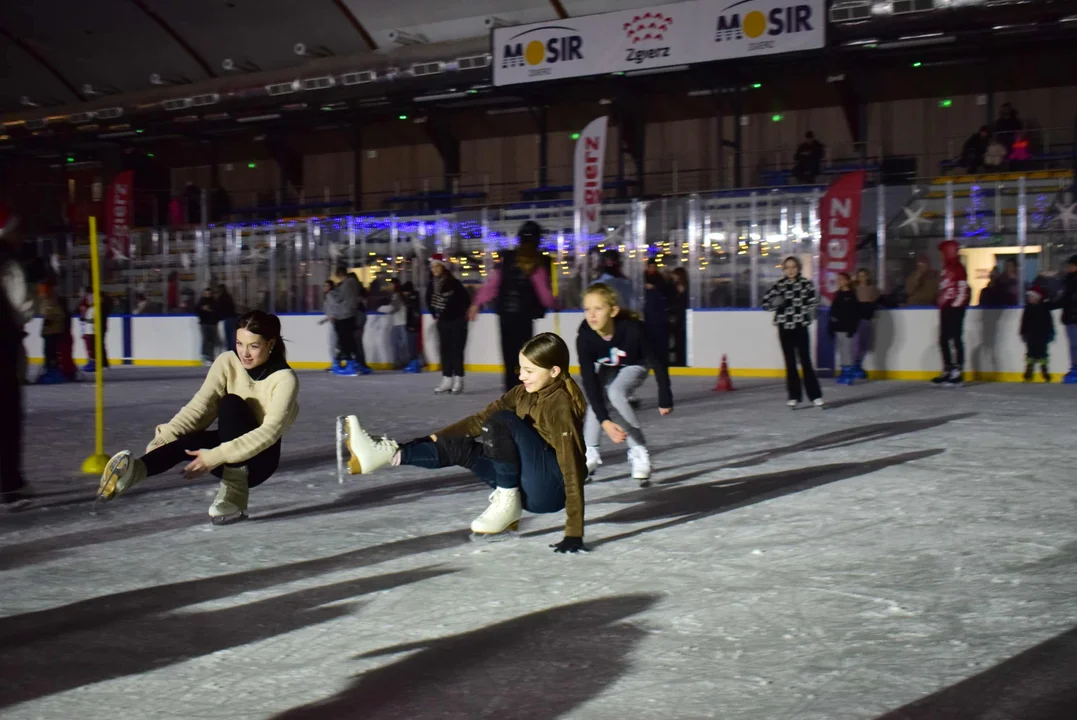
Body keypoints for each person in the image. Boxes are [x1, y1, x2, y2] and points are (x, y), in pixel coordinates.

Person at [339, 333, 588, 552]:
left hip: (549, 491)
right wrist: (423, 440)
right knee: (461, 447)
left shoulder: (560, 406)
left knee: (501, 420)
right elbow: (479, 421)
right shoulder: (521, 393)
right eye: (520, 368)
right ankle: (387, 455)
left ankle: (507, 500)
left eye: (529, 371)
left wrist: (574, 531)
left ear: (554, 371)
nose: (522, 376)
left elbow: (572, 466)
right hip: (527, 485)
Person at [96, 311, 299, 525]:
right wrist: (164, 440)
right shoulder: (227, 362)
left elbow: (269, 432)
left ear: (271, 344)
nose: (244, 353)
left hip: (259, 462)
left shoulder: (284, 379)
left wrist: (215, 456)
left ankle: (234, 492)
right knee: (183, 443)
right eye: (240, 343)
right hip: (225, 451)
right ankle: (132, 473)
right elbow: (200, 407)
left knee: (231, 404)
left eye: (254, 346)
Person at [577, 283, 673, 485]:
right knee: (597, 398)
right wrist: (605, 422)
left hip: (635, 364)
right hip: (608, 367)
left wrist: (665, 396)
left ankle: (639, 450)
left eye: (598, 308)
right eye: (587, 309)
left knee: (615, 392)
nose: (591, 315)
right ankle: (590, 454)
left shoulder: (633, 330)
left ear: (613, 311)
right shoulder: (585, 337)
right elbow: (589, 383)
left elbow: (658, 362)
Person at [468, 221, 555, 392]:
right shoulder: (538, 262)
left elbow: (493, 285)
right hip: (525, 317)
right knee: (525, 356)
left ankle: (510, 389)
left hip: (506, 316)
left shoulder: (507, 260)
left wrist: (476, 303)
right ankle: (524, 388)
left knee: (509, 355)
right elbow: (544, 292)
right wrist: (554, 303)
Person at [0, 202, 33, 510]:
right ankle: (9, 483)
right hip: (3, 348)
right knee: (7, 416)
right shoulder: (8, 264)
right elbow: (23, 306)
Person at [762, 256, 823, 408]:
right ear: (783, 269)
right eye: (787, 267)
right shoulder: (779, 285)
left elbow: (814, 301)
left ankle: (815, 396)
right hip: (784, 327)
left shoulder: (806, 284)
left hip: (800, 326)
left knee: (805, 361)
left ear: (798, 268)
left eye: (793, 267)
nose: (790, 270)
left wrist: (812, 310)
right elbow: (765, 303)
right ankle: (794, 395)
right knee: (790, 363)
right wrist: (774, 304)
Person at [427, 253, 470, 394]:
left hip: (457, 321)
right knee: (445, 351)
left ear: (442, 267)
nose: (434, 269)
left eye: (436, 266)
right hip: (443, 322)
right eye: (432, 267)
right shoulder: (431, 285)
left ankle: (458, 378)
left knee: (456, 350)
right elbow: (428, 301)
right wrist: (435, 315)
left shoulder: (454, 283)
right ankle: (446, 379)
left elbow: (465, 300)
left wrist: (461, 315)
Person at [933, 239, 970, 387]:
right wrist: (940, 302)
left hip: (955, 308)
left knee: (955, 338)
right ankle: (948, 368)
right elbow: (943, 288)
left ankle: (958, 371)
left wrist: (956, 305)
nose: (942, 255)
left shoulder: (959, 268)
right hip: (946, 308)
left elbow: (962, 289)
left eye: (943, 251)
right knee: (943, 339)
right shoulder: (945, 268)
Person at [324, 265, 367, 376]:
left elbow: (338, 299)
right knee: (350, 341)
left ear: (340, 275)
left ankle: (350, 365)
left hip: (344, 315)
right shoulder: (354, 284)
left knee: (345, 341)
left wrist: (329, 293)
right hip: (351, 314)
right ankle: (355, 363)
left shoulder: (346, 285)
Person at [829, 273, 861, 386]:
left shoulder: (851, 295)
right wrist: (832, 326)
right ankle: (844, 371)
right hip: (838, 327)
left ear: (847, 281)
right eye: (838, 279)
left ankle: (848, 373)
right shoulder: (838, 294)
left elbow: (854, 313)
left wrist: (852, 328)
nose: (839, 281)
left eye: (841, 279)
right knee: (841, 350)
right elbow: (833, 311)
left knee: (847, 350)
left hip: (847, 328)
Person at [1020, 285, 1054, 383]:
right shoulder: (1028, 308)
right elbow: (1024, 321)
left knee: (1042, 354)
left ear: (1037, 297)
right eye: (1029, 297)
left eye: (1031, 297)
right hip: (1031, 335)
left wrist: (1050, 333)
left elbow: (1049, 322)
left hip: (1042, 335)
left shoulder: (1044, 308)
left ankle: (1045, 372)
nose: (1029, 298)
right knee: (1030, 354)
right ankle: (1028, 372)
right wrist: (1023, 332)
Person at [852, 268, 881, 380]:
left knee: (865, 344)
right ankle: (854, 366)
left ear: (867, 276)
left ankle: (859, 365)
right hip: (857, 320)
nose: (862, 278)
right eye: (860, 276)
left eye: (864, 275)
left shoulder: (873, 290)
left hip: (867, 319)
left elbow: (878, 300)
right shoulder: (854, 290)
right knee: (856, 344)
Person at [643, 259, 673, 367]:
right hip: (648, 314)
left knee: (659, 338)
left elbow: (666, 293)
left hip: (658, 315)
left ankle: (661, 358)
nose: (652, 269)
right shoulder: (642, 278)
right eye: (650, 267)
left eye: (653, 267)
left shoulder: (660, 280)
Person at [378, 278, 410, 371]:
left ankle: (400, 362)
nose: (389, 286)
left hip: (399, 323)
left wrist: (379, 309)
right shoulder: (397, 296)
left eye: (390, 284)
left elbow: (392, 308)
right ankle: (400, 362)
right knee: (399, 344)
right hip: (398, 323)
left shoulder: (397, 296)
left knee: (398, 344)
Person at [1057, 255, 1077, 384]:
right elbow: (1064, 299)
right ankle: (1075, 367)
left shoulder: (1070, 281)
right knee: (1073, 345)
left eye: (1071, 265)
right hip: (1070, 317)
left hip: (1073, 317)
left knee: (1075, 344)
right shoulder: (1067, 280)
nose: (1068, 268)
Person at [319, 279, 337, 372]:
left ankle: (335, 364)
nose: (324, 287)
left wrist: (332, 317)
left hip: (334, 322)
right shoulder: (330, 295)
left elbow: (335, 307)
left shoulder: (330, 295)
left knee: (332, 344)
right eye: (324, 286)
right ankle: (335, 363)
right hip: (332, 321)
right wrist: (325, 320)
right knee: (333, 344)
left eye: (326, 286)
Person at [197, 287, 218, 366]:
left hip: (212, 323)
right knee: (205, 339)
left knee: (212, 341)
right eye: (206, 293)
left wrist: (211, 311)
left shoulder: (214, 302)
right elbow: (196, 310)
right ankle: (204, 357)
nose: (208, 295)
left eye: (209, 293)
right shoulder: (201, 302)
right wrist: (202, 309)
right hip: (204, 323)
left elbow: (217, 311)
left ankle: (211, 357)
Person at [216, 284, 238, 353]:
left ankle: (229, 353)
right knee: (231, 338)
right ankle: (232, 352)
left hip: (226, 319)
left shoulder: (221, 298)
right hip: (232, 318)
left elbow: (219, 310)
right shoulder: (229, 297)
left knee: (227, 339)